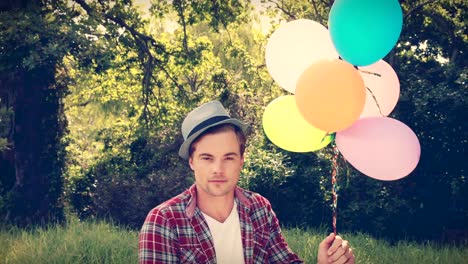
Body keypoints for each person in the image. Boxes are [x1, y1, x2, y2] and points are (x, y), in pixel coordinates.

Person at [138, 100, 355, 264]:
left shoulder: (259, 208)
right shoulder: (164, 220)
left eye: (229, 157)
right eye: (207, 158)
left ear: (241, 161)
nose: (218, 169)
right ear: (192, 161)